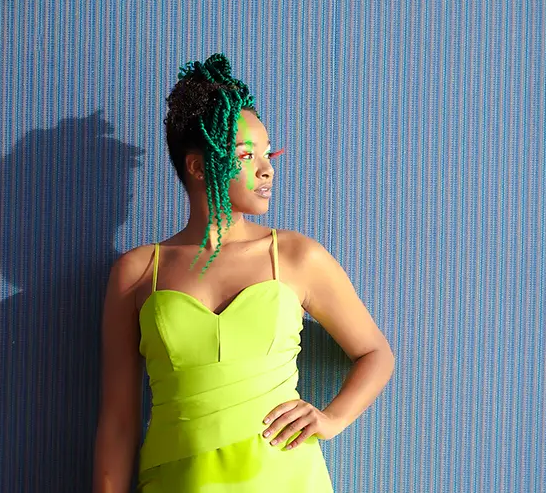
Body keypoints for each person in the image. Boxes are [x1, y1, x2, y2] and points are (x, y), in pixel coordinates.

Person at [93, 53, 395, 492]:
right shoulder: (138, 273)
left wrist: (332, 419)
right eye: (246, 155)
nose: (266, 168)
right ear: (198, 167)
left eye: (267, 153)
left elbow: (376, 353)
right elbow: (118, 422)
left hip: (287, 480)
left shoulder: (296, 256)